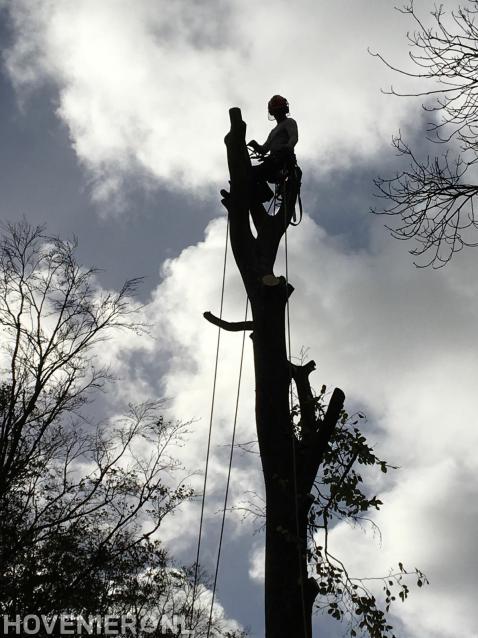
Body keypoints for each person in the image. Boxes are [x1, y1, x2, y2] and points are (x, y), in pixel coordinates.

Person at [248, 95, 299, 203]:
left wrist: (288, 148)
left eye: (278, 111)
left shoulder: (289, 122)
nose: (277, 114)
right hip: (273, 159)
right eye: (276, 112)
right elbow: (264, 149)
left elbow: (294, 137)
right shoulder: (273, 131)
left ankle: (266, 194)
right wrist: (255, 145)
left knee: (254, 172)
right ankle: (262, 193)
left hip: (283, 159)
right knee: (251, 172)